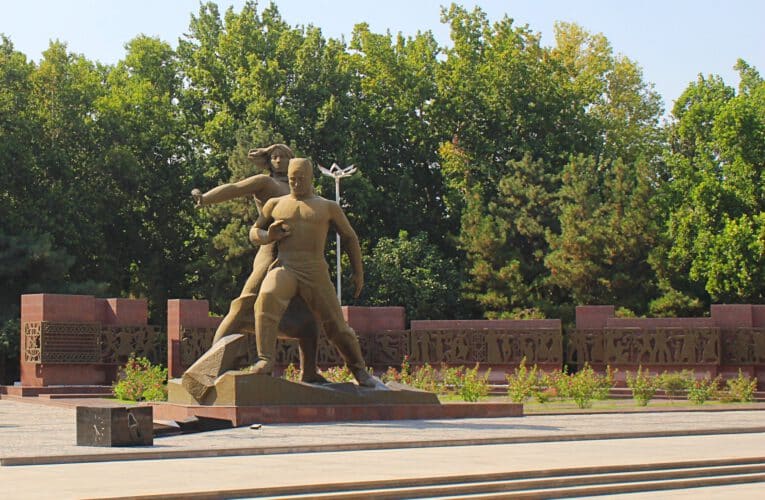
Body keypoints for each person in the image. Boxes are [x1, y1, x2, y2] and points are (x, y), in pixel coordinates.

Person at [190, 144, 326, 383]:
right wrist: (206, 198)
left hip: (299, 258)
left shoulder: (302, 189)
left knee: (308, 315)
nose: (280, 160)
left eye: (285, 156)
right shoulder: (266, 184)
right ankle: (210, 366)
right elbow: (234, 188)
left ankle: (310, 371)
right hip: (271, 250)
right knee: (245, 304)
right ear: (267, 160)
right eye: (275, 156)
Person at [250, 158, 382, 388]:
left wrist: (358, 272)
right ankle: (265, 360)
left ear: (311, 178)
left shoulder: (327, 206)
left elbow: (350, 237)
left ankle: (359, 370)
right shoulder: (275, 204)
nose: (296, 183)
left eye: (301, 179)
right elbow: (254, 232)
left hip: (315, 270)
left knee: (336, 325)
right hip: (286, 265)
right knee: (266, 298)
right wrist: (268, 236)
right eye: (292, 179)